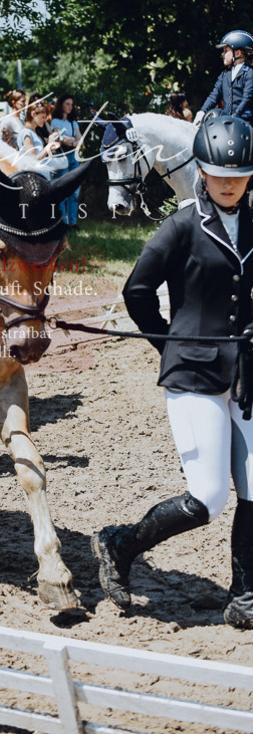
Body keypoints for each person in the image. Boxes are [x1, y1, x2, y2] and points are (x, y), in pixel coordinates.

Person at [92, 112, 253, 628]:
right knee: (206, 498)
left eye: (239, 175)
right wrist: (168, 344)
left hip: (248, 375)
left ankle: (245, 596)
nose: (229, 184)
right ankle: (121, 543)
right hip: (194, 376)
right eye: (218, 174)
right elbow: (136, 290)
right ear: (201, 171)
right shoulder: (181, 225)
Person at [195, 30, 253, 125]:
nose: (222, 54)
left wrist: (235, 117)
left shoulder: (249, 73)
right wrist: (202, 112)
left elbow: (247, 99)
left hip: (245, 123)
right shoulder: (224, 75)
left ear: (237, 53)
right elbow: (214, 96)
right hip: (226, 122)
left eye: (226, 51)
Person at [50, 94, 82, 225]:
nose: (70, 107)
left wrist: (71, 141)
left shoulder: (73, 123)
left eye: (71, 104)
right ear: (61, 105)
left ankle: (73, 222)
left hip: (74, 156)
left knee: (74, 191)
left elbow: (80, 140)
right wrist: (72, 140)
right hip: (62, 156)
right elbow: (61, 139)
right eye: (67, 104)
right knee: (62, 189)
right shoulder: (55, 122)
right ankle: (62, 222)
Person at [17, 101, 61, 176]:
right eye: (43, 117)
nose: (44, 120)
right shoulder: (26, 133)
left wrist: (50, 146)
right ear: (33, 114)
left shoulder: (33, 132)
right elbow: (33, 159)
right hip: (34, 177)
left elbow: (41, 155)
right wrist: (48, 146)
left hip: (40, 176)